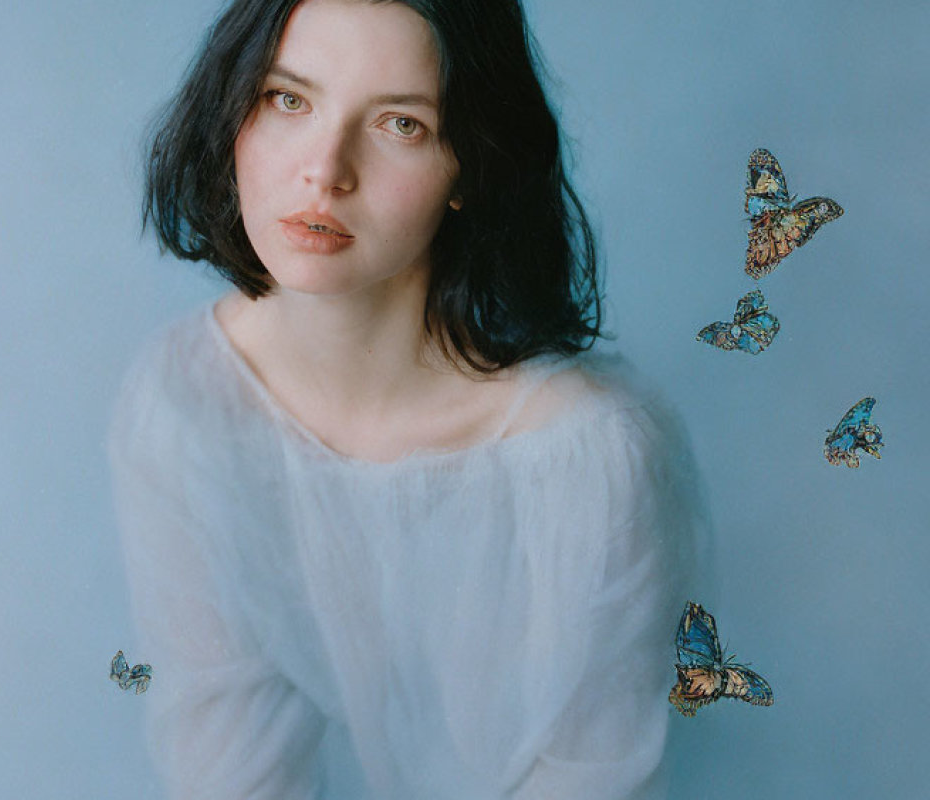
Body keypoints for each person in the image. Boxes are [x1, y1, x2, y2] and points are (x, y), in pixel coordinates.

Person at [108, 0, 706, 797]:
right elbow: (228, 763)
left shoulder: (596, 459)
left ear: (469, 167)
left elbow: (591, 775)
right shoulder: (183, 406)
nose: (325, 170)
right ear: (232, 117)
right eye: (288, 99)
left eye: (401, 124)